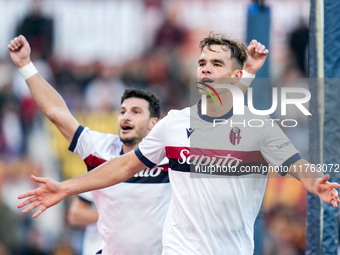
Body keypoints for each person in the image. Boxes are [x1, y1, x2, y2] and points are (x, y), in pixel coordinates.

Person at [11, 33, 338, 255]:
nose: (206, 68)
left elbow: (296, 165)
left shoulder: (259, 127)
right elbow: (124, 166)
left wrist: (314, 183)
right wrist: (65, 188)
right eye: (201, 63)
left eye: (216, 64)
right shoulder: (174, 125)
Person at [8, 36, 171, 254]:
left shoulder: (172, 155)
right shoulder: (100, 148)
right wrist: (25, 65)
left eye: (136, 112)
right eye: (122, 111)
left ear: (154, 124)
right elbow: (57, 113)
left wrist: (220, 72)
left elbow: (220, 145)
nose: (125, 117)